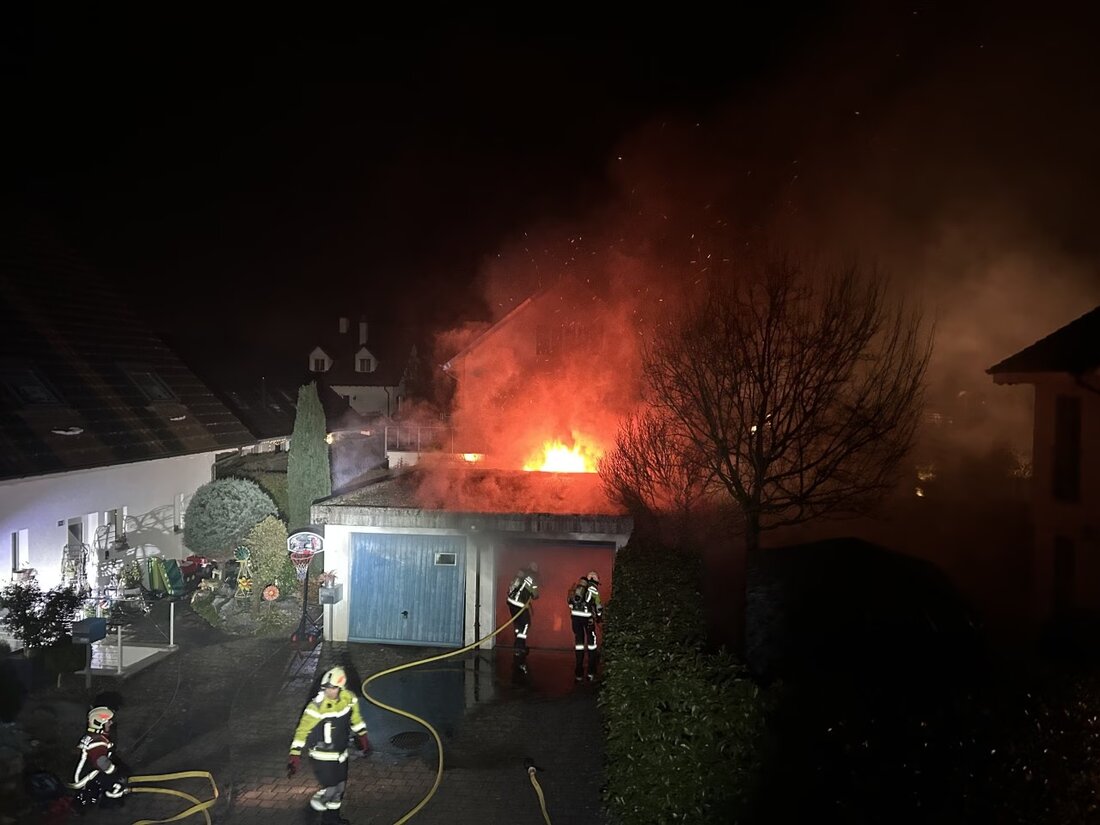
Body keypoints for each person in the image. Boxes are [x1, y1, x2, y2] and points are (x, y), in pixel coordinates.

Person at [287, 665, 370, 825]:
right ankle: (310, 812)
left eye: (333, 688)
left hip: (341, 755)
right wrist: (295, 754)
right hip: (321, 757)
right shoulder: (315, 707)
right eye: (326, 688)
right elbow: (301, 731)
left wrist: (363, 736)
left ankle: (331, 820)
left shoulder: (349, 699)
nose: (329, 692)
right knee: (331, 789)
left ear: (340, 688)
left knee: (340, 789)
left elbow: (356, 719)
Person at [70, 705, 129, 811]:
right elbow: (101, 762)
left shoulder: (91, 736)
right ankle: (111, 802)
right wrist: (114, 772)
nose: (111, 723)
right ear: (100, 724)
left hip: (86, 772)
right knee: (119, 780)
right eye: (108, 722)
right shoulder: (99, 742)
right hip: (87, 777)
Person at [569, 571, 603, 682]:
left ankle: (578, 672)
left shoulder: (578, 586)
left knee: (579, 642)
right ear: (595, 579)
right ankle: (591, 671)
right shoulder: (593, 588)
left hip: (575, 617)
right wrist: (599, 617)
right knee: (591, 643)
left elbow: (570, 603)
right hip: (587, 618)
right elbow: (598, 606)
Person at [506, 561, 540, 672]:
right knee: (526, 624)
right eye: (536, 567)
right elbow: (535, 594)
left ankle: (519, 646)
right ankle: (519, 646)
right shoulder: (532, 577)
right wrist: (535, 594)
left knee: (518, 624)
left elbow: (511, 587)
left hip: (511, 602)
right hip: (520, 604)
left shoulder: (520, 574)